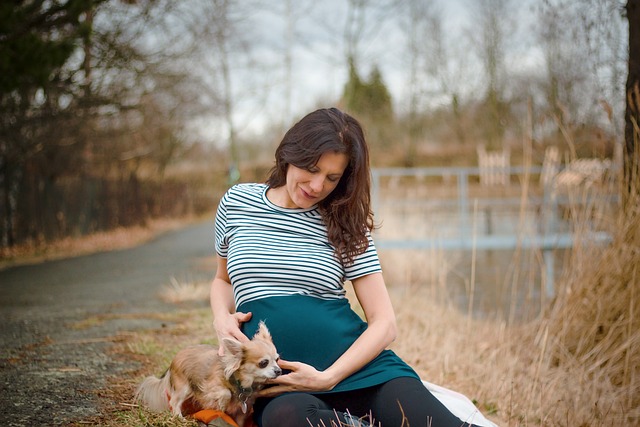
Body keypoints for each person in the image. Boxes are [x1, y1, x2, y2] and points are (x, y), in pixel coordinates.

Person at [210, 108, 485, 427]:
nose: (316, 186)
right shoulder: (238, 202)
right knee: (289, 420)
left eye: (331, 177)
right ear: (289, 153)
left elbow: (385, 323)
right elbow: (222, 280)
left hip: (363, 373)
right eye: (311, 169)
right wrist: (220, 318)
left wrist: (328, 377)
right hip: (282, 384)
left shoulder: (344, 219)